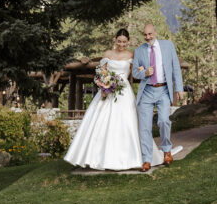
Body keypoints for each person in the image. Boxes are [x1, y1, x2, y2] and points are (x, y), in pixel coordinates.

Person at [64, 28, 177, 171]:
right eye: (119, 41)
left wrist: (144, 71)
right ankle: (98, 157)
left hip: (123, 91)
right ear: (115, 40)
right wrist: (103, 85)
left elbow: (135, 73)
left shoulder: (132, 54)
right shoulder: (107, 54)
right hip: (107, 90)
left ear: (127, 41)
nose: (121, 44)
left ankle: (134, 157)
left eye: (124, 42)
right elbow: (101, 72)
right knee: (101, 121)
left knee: (127, 122)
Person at [132, 22, 185, 172]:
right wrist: (144, 73)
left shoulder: (168, 46)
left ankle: (166, 150)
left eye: (150, 34)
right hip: (147, 92)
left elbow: (175, 68)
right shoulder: (139, 51)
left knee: (163, 121)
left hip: (163, 91)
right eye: (145, 35)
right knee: (145, 128)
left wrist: (179, 88)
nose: (148, 37)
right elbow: (135, 73)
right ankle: (147, 159)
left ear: (155, 32)